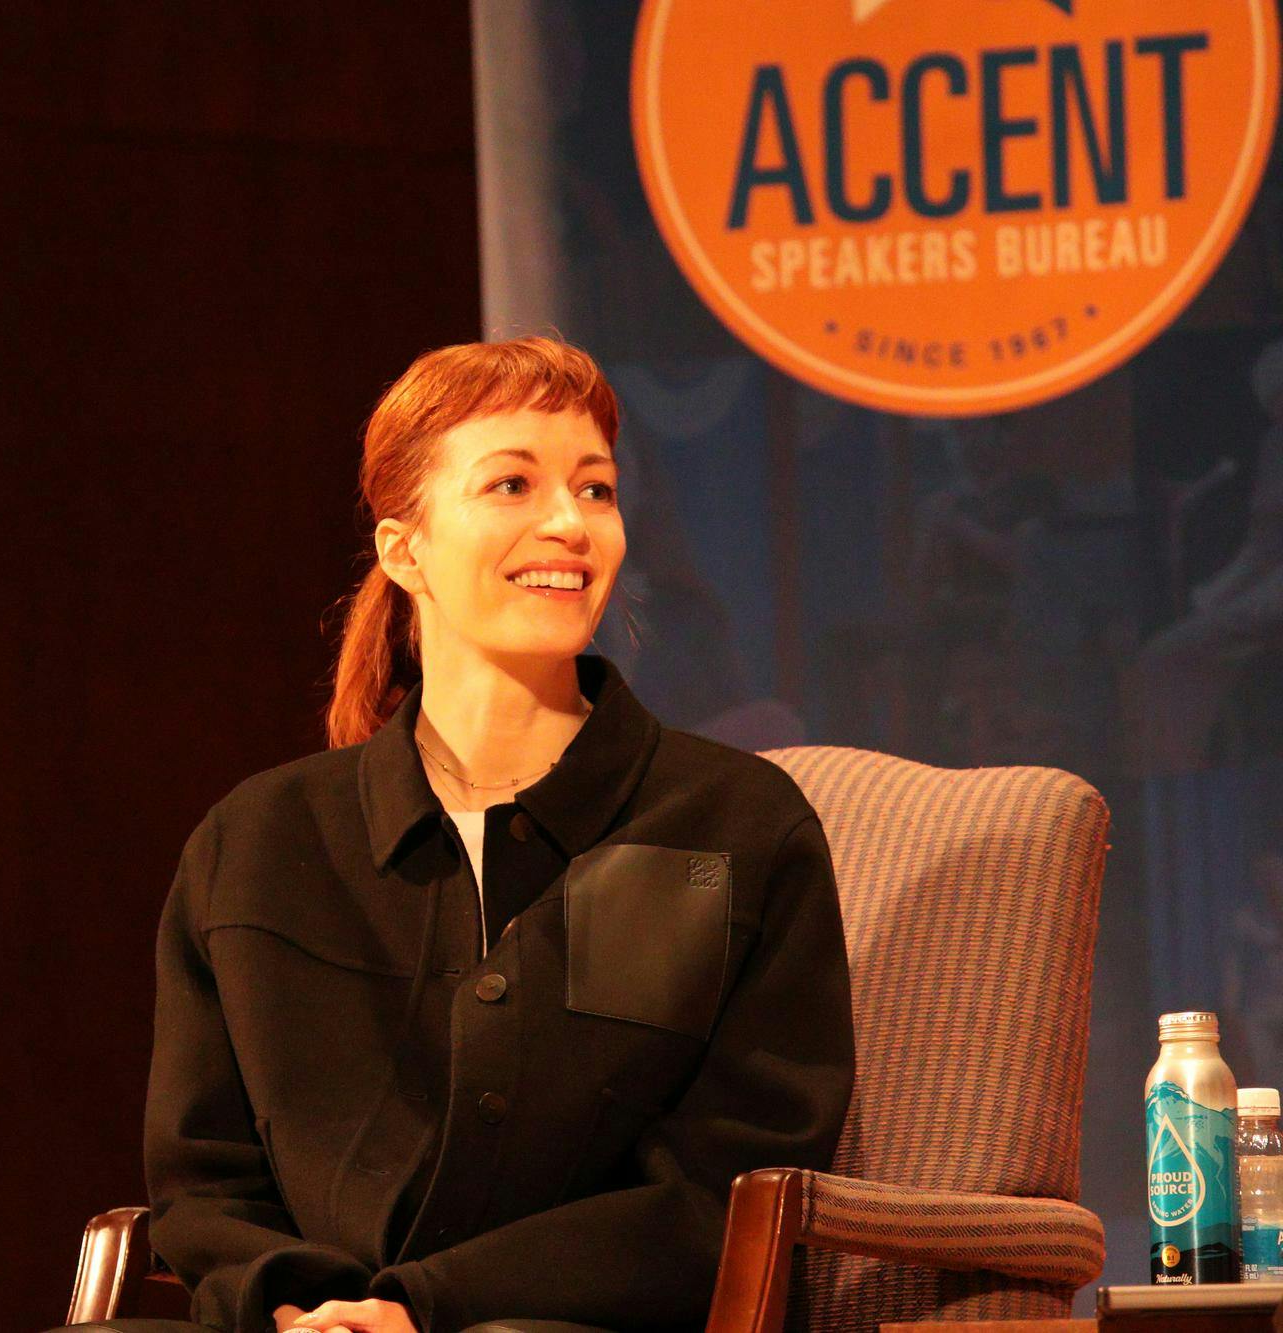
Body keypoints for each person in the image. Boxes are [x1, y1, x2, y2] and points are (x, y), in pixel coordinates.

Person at [63, 337, 853, 1333]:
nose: (568, 523)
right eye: (512, 485)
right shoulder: (255, 843)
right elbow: (205, 1181)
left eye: (596, 490)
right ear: (404, 550)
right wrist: (309, 1312)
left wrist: (419, 1308)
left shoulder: (733, 827)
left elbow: (723, 1193)